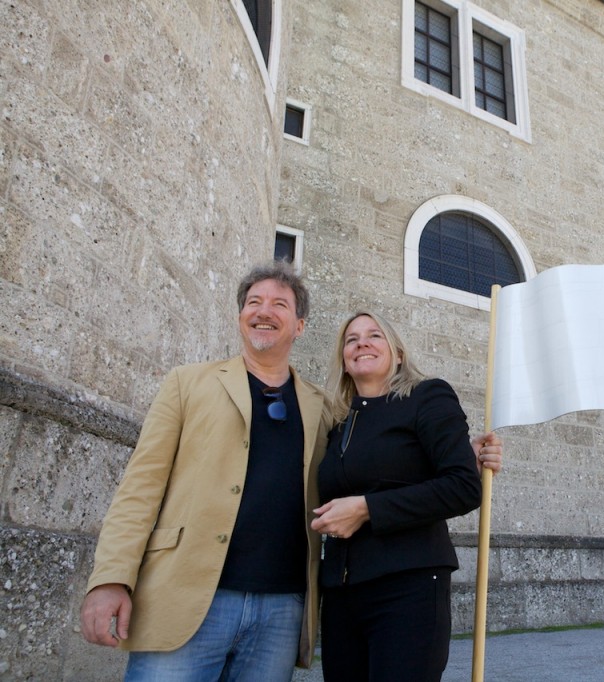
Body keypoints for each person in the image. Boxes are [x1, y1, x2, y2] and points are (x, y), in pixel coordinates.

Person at [79, 263, 504, 681]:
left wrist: (459, 453)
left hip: (283, 609)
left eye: (279, 304)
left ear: (299, 326)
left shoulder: (323, 408)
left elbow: (386, 464)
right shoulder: (188, 384)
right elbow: (139, 488)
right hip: (190, 597)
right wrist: (111, 578)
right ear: (240, 316)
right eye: (254, 302)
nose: (264, 311)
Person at [311, 311, 493, 682]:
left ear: (397, 353)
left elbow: (463, 485)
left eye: (374, 335)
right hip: (342, 596)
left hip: (408, 588)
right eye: (351, 339)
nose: (362, 342)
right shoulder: (338, 424)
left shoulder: (428, 397)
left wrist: (367, 509)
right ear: (344, 362)